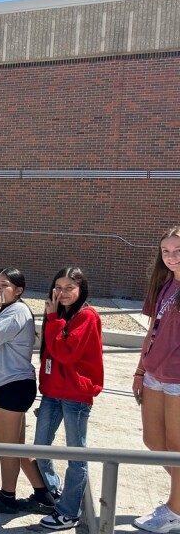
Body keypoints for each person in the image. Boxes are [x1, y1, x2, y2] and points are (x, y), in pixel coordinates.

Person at [27, 267, 103, 531]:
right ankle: (54, 490)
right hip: (52, 392)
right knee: (39, 448)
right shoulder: (57, 314)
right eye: (58, 287)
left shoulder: (87, 316)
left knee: (76, 456)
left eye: (70, 287)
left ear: (81, 289)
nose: (63, 292)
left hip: (75, 396)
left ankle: (69, 511)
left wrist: (52, 319)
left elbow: (65, 353)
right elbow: (47, 355)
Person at [0, 268, 44, 514]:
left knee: (6, 447)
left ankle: (7, 497)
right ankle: (43, 494)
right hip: (10, 384)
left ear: (19, 290)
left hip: (11, 385)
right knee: (17, 447)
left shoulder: (16, 311)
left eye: (4, 285)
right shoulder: (9, 310)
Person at [132, 227, 180, 533]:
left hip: (177, 379)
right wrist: (139, 370)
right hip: (153, 375)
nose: (172, 257)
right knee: (154, 441)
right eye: (166, 251)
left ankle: (174, 511)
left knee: (176, 446)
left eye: (177, 251)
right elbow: (152, 330)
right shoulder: (165, 284)